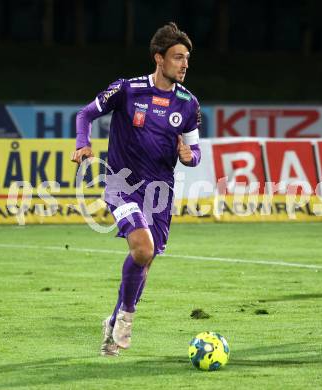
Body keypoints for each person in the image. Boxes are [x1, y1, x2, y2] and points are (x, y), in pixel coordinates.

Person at [71, 22, 201, 357]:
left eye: (187, 58)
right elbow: (85, 114)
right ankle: (126, 318)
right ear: (159, 59)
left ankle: (113, 322)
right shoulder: (129, 90)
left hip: (160, 193)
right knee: (142, 250)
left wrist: (190, 156)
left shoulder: (188, 104)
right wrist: (83, 144)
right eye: (177, 57)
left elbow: (194, 152)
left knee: (146, 258)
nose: (184, 64)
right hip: (121, 184)